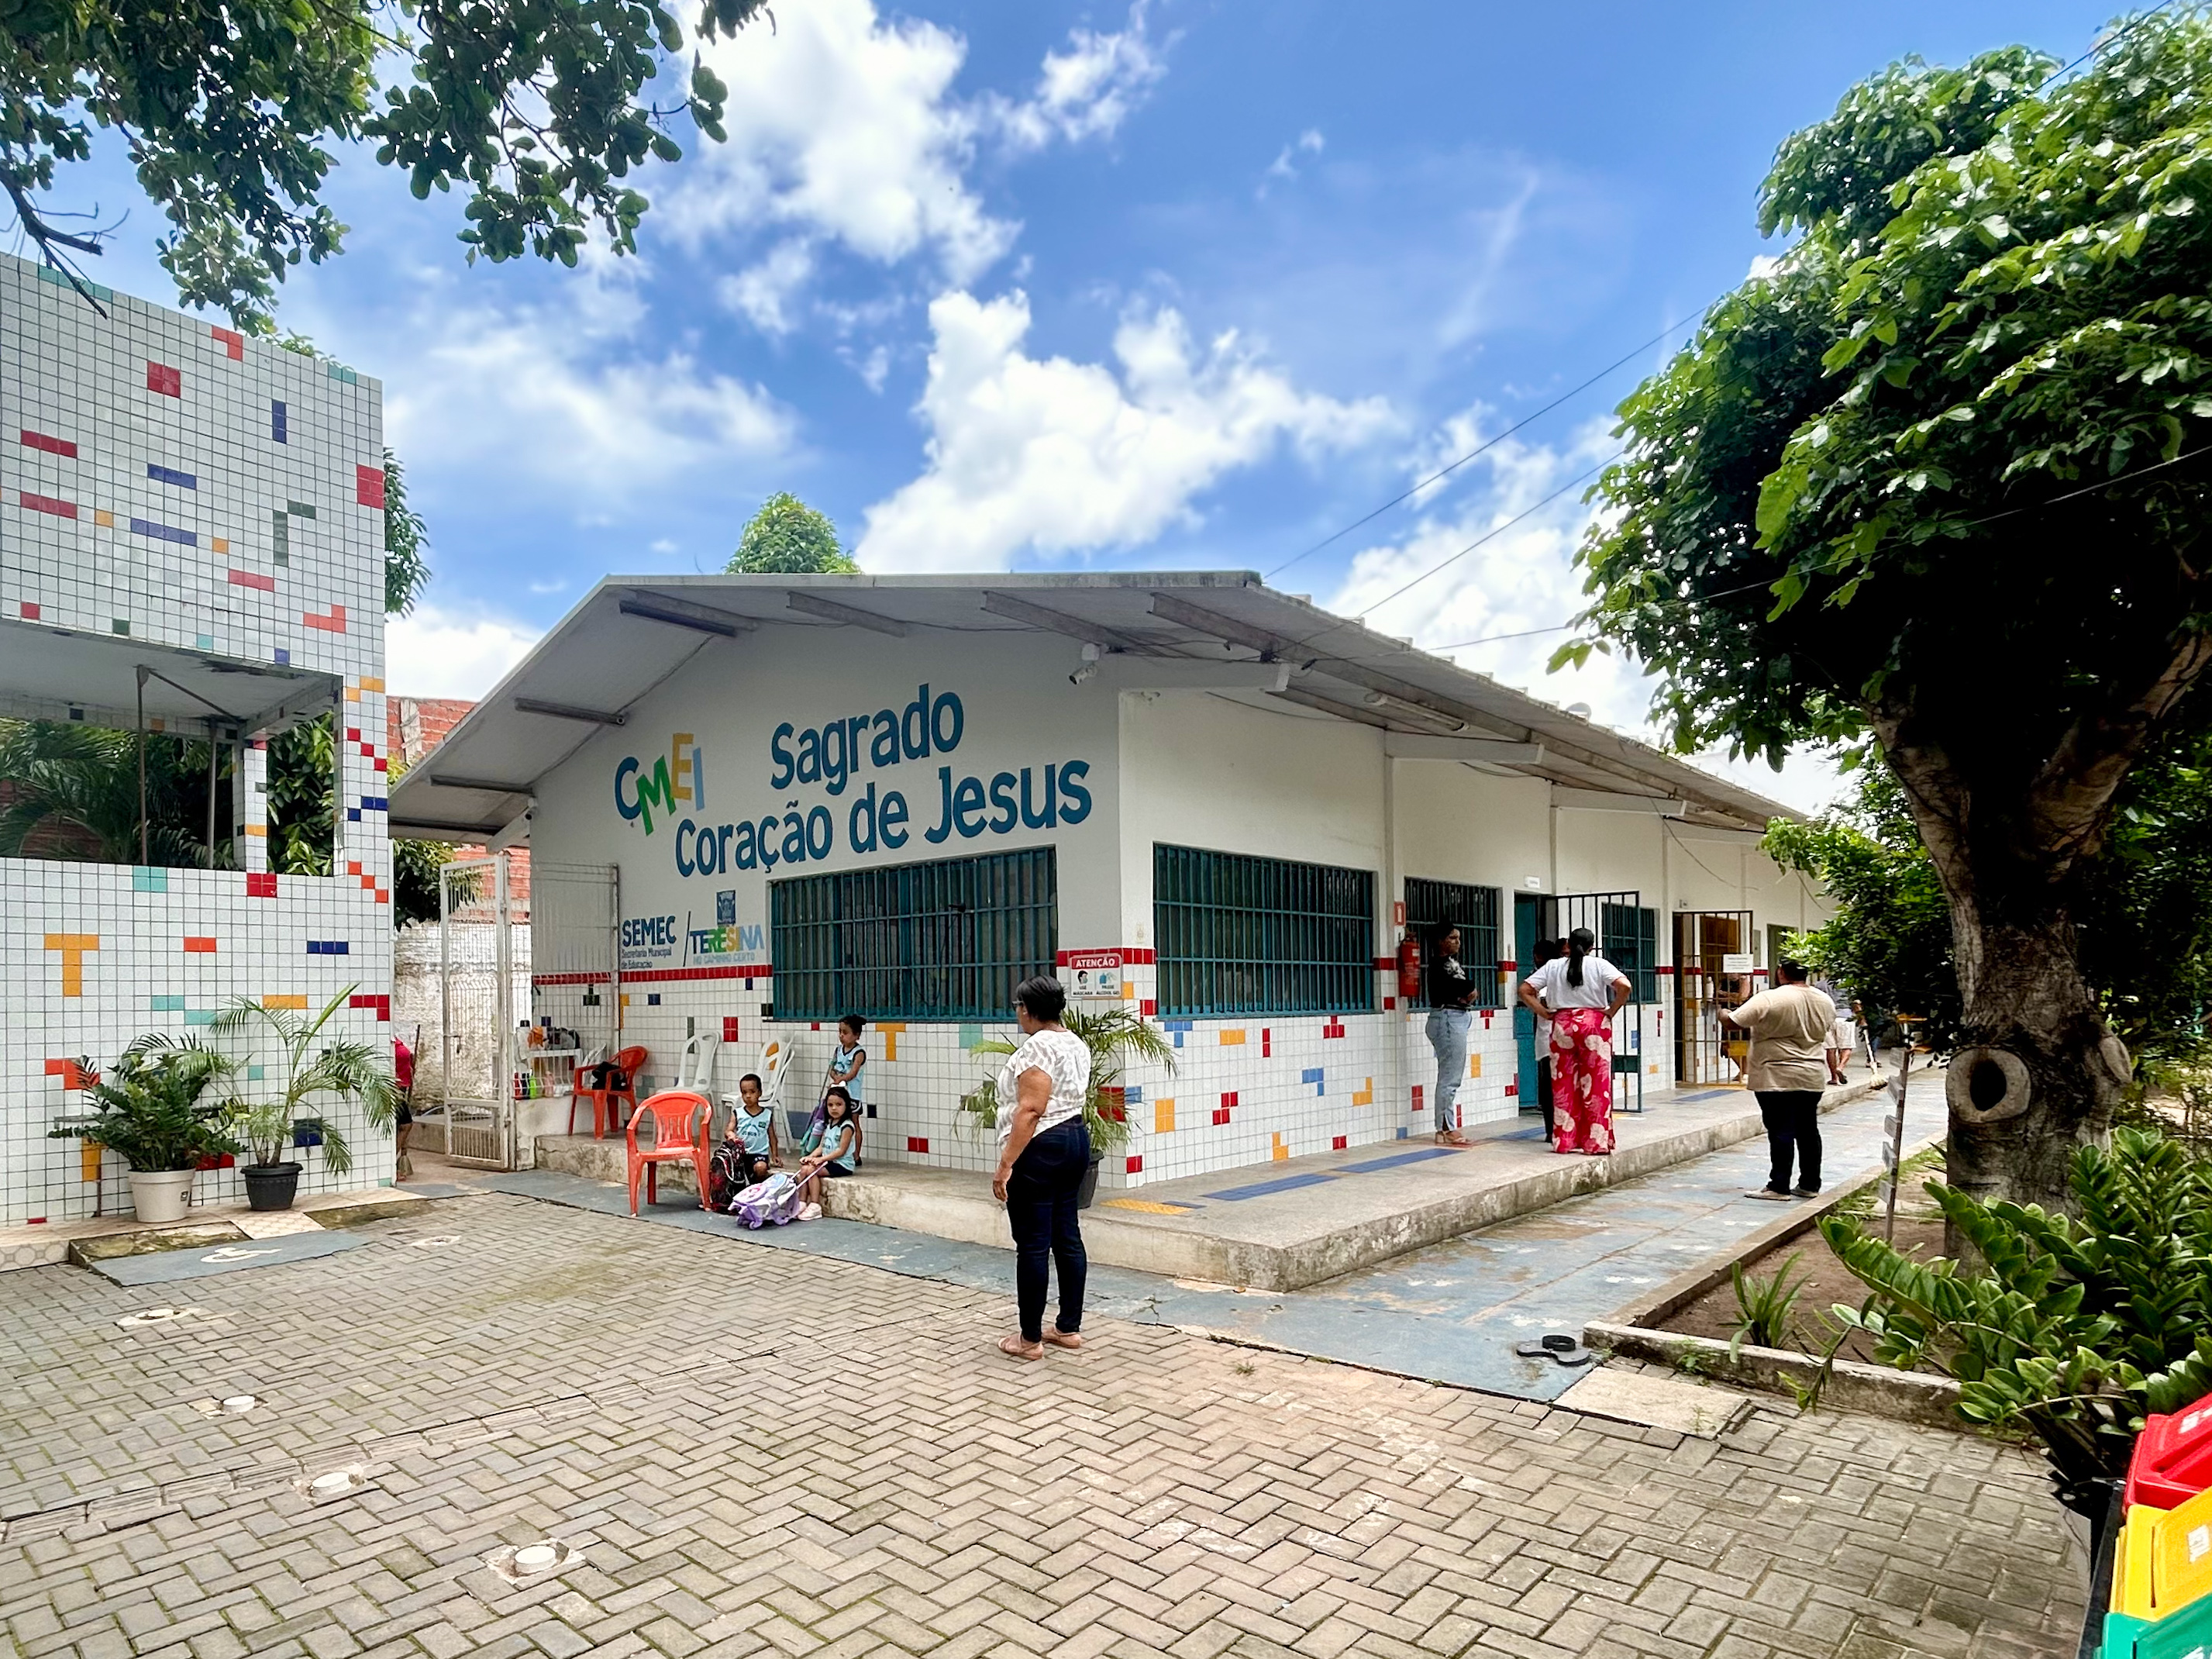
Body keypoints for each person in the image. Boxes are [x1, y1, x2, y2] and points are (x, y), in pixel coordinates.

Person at [991, 974, 1092, 1361]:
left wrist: (1005, 1165)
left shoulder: (1036, 1049)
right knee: (1067, 1236)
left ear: (1027, 1010)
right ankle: (1068, 1327)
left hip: (1040, 1148)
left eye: (1018, 1007)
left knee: (1033, 1244)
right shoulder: (1076, 1045)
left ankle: (1029, 1338)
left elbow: (1031, 1110)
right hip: (1074, 1139)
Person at [1721, 960, 1837, 1201]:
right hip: (1812, 1073)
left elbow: (1734, 1021)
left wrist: (1723, 1012)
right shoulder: (1825, 1000)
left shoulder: (1771, 998)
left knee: (1781, 1130)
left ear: (1781, 973)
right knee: (1808, 1130)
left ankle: (1779, 1186)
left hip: (1775, 1074)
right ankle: (1809, 1184)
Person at [1518, 928, 1631, 1156]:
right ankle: (1596, 1142)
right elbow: (1625, 986)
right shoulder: (1599, 965)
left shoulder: (1552, 966)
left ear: (1569, 944)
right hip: (1594, 1025)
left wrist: (1544, 1012)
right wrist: (1612, 1010)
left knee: (1563, 1084)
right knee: (1596, 1086)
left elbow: (1525, 990)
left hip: (1562, 1024)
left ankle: (1565, 1141)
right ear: (1591, 946)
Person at [1422, 923, 1476, 1147]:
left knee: (1450, 1076)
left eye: (1458, 938)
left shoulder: (1452, 964)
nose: (1457, 942)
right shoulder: (1439, 965)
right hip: (1448, 1018)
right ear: (1440, 942)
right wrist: (1467, 991)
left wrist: (1467, 992)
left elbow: (1466, 990)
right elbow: (1463, 988)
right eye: (1452, 938)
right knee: (1450, 1078)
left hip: (1455, 1016)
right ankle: (1446, 1128)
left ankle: (1444, 1127)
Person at [794, 1086, 860, 1207]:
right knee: (804, 1169)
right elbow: (821, 1147)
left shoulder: (847, 1127)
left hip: (842, 1164)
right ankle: (802, 1202)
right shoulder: (829, 1123)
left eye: (839, 1104)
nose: (834, 1108)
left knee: (812, 1171)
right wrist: (810, 1157)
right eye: (830, 1105)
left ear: (846, 1106)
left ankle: (815, 1205)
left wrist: (821, 1159)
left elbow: (841, 1151)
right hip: (829, 1162)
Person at [1527, 938, 1561, 1143]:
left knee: (1550, 1088)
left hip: (1550, 1039)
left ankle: (1553, 1129)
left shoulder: (1547, 974)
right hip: (1555, 1039)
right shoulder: (1558, 973)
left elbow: (1544, 1000)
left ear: (1538, 956)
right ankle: (1556, 1129)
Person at [827, 1015, 868, 1118]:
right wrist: (835, 1077)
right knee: (837, 1119)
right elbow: (832, 1068)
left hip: (852, 1094)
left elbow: (853, 1073)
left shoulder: (859, 1053)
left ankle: (857, 1134)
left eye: (845, 1033)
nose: (841, 1035)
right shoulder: (838, 1050)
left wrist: (840, 1079)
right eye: (840, 1032)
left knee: (854, 1121)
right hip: (839, 1092)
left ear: (856, 1036)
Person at [392, 1035, 416, 1182]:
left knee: (402, 1125)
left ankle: (393, 1164)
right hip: (394, 1090)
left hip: (402, 1088)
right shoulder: (384, 1037)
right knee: (405, 1124)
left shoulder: (392, 1037)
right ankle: (389, 1164)